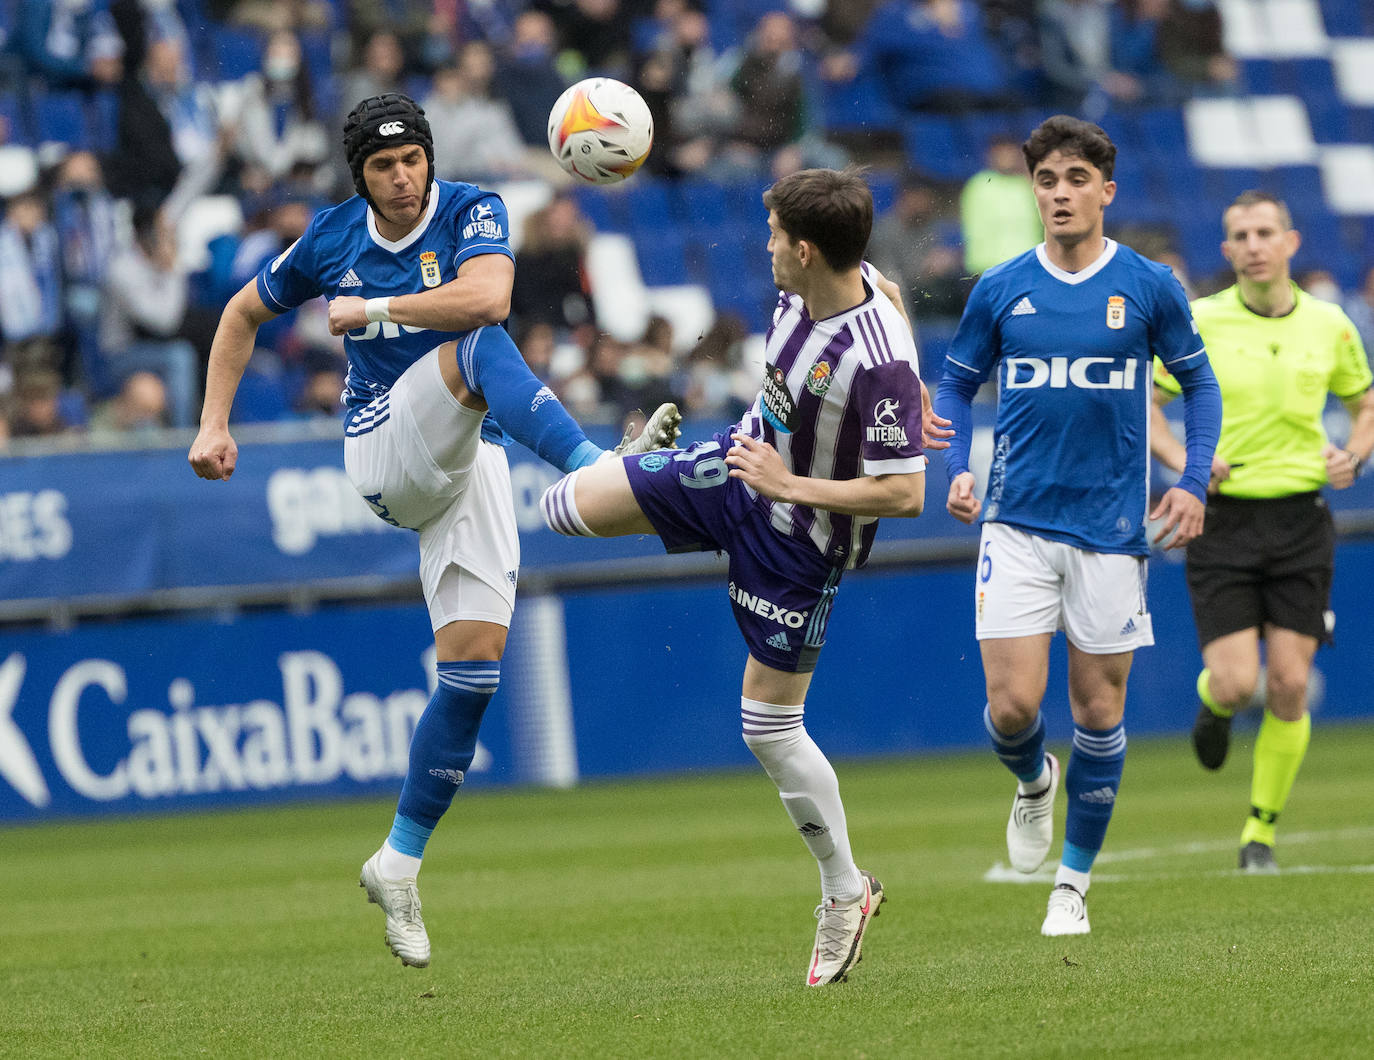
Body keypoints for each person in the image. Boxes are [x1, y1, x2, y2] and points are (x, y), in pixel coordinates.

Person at [187, 93, 682, 969]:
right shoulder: (332, 236)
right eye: (384, 166)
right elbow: (238, 315)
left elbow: (489, 288)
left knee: (473, 676)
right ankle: (599, 471)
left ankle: (398, 862)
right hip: (384, 446)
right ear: (361, 176)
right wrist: (212, 424)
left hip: (466, 457)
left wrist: (373, 313)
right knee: (481, 349)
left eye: (412, 159)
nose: (404, 177)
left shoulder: (472, 208)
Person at [540, 167, 949, 985]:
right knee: (563, 506)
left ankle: (845, 892)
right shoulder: (841, 280)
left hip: (801, 538)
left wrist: (795, 478)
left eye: (772, 237)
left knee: (765, 730)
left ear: (804, 250)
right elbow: (891, 288)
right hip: (738, 464)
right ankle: (638, 464)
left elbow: (906, 492)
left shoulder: (875, 364)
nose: (763, 248)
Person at [931, 115, 1222, 935]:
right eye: (1047, 181)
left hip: (1111, 530)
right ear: (1035, 192)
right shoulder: (1000, 288)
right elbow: (953, 387)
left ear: (1106, 191)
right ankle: (1032, 784)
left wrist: (1192, 481)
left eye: (1075, 180)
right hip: (1016, 522)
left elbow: (1200, 389)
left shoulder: (1150, 286)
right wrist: (956, 470)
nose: (1060, 194)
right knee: (1015, 709)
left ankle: (1073, 885)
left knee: (1098, 712)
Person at [1150, 191, 1374, 873]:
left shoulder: (1330, 324)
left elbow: (1365, 403)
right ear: (1225, 251)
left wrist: (1356, 454)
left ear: (1291, 242)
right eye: (1240, 234)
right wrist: (1185, 465)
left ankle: (1260, 833)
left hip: (1302, 518)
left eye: (1264, 232)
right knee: (1236, 683)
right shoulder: (1201, 321)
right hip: (1222, 521)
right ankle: (1211, 708)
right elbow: (1148, 406)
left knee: (1288, 686)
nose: (1253, 244)